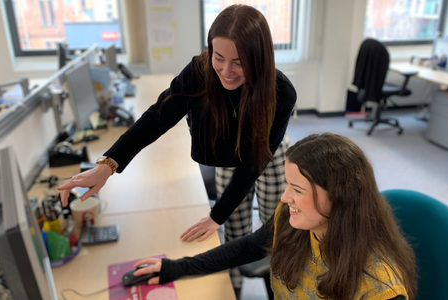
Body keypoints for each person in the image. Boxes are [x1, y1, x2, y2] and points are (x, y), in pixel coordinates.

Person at [57, 4, 296, 292]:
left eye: (240, 62)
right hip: (227, 156)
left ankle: (277, 291)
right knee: (232, 232)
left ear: (259, 58)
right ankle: (231, 291)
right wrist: (108, 165)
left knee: (273, 236)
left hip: (265, 157)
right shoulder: (200, 70)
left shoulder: (281, 92)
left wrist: (215, 215)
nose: (227, 72)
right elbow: (158, 116)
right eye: (219, 57)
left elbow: (251, 168)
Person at [130, 133, 417, 300]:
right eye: (286, 185)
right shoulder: (296, 222)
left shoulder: (379, 287)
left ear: (340, 196)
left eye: (297, 189)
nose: (284, 198)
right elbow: (250, 246)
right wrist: (175, 268)